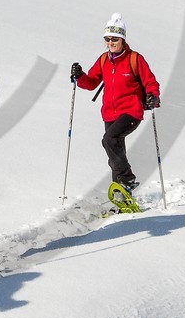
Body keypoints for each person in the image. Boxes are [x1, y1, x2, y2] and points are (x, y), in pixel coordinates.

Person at [69, 12, 160, 202]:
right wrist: (80, 76)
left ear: (122, 39)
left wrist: (153, 97)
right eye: (107, 39)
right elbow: (92, 82)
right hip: (109, 113)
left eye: (115, 39)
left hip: (131, 111)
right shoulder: (104, 60)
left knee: (109, 140)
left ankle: (127, 179)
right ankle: (122, 197)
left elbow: (150, 82)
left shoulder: (135, 59)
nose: (111, 43)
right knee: (115, 153)